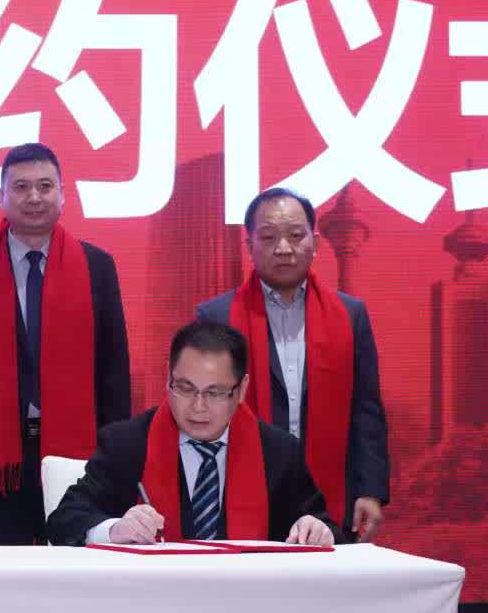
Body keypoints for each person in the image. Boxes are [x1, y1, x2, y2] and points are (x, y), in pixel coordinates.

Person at [0, 143, 130, 543]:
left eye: (45, 186)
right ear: (1, 196)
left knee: (76, 558)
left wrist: (114, 455)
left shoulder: (96, 266)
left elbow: (113, 369)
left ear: (63, 194)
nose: (34, 197)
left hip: (78, 452)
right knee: (2, 563)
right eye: (21, 187)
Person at [197, 187, 389, 538]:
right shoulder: (216, 316)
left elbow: (367, 411)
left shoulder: (351, 315)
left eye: (296, 235)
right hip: (239, 491)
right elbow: (201, 413)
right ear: (249, 246)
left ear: (315, 243)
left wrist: (371, 490)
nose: (283, 248)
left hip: (330, 494)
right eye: (268, 237)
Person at [48, 319, 337, 546]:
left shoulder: (278, 452)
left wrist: (316, 530)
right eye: (185, 388)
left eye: (215, 392)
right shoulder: (127, 443)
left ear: (242, 390)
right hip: (150, 597)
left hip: (250, 598)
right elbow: (65, 520)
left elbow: (329, 530)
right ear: (168, 380)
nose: (198, 407)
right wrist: (114, 530)